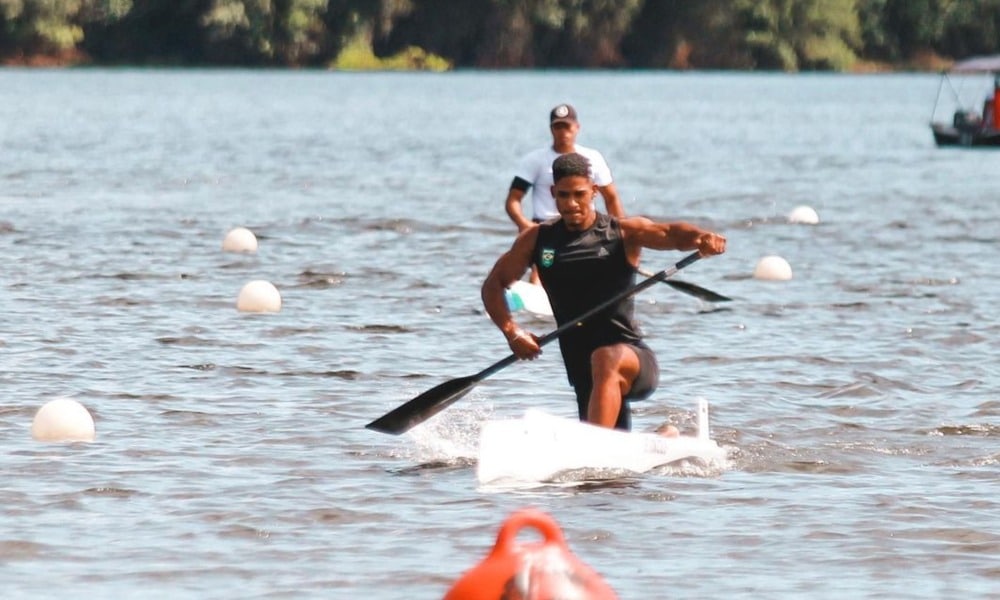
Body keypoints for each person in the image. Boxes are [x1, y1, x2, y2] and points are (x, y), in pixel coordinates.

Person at [482, 152, 727, 432]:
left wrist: (700, 238)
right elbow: (493, 285)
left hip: (632, 359)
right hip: (582, 371)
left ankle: (598, 445)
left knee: (605, 358)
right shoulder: (537, 239)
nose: (572, 203)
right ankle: (667, 438)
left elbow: (670, 232)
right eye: (563, 195)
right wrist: (513, 332)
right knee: (613, 466)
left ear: (594, 192)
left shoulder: (623, 232)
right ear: (553, 193)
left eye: (580, 194)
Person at [504, 104, 624, 282]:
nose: (563, 132)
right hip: (546, 228)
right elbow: (513, 200)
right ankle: (536, 298)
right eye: (557, 127)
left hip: (583, 226)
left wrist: (620, 235)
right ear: (551, 129)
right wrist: (524, 225)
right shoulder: (535, 160)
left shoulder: (593, 158)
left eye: (567, 126)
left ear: (577, 128)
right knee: (541, 271)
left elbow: (611, 198)